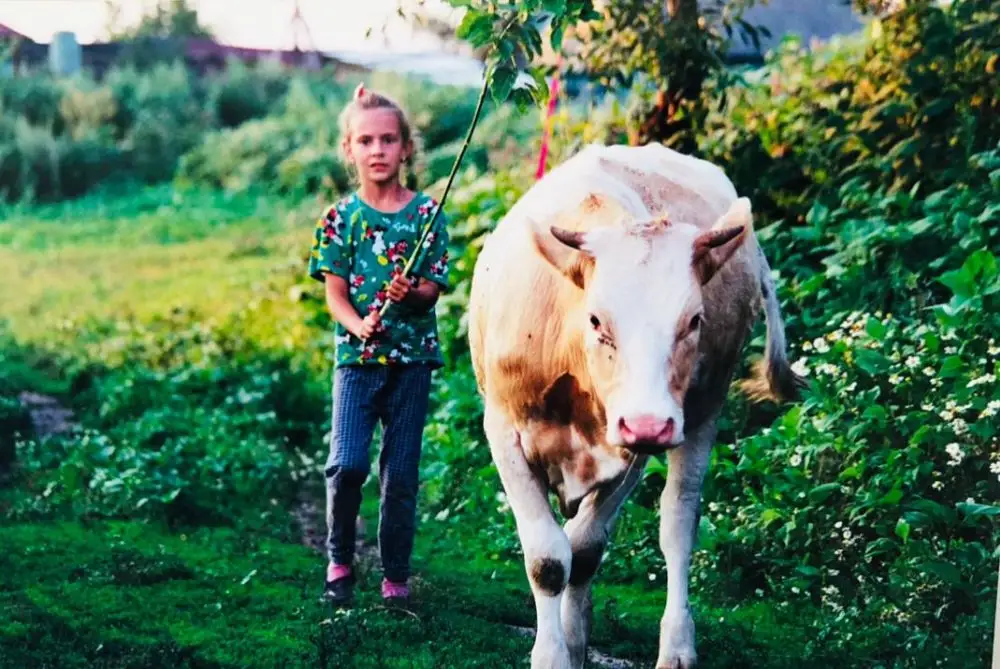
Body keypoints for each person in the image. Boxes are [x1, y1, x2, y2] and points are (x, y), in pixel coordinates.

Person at [307, 83, 450, 605]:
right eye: (365, 141)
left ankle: (395, 576)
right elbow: (336, 296)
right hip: (357, 361)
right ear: (350, 150)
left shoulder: (428, 215)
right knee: (347, 465)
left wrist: (411, 292)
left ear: (405, 148)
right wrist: (355, 325)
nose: (377, 151)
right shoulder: (339, 219)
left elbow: (432, 291)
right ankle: (339, 560)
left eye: (388, 140)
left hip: (412, 363)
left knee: (401, 476)